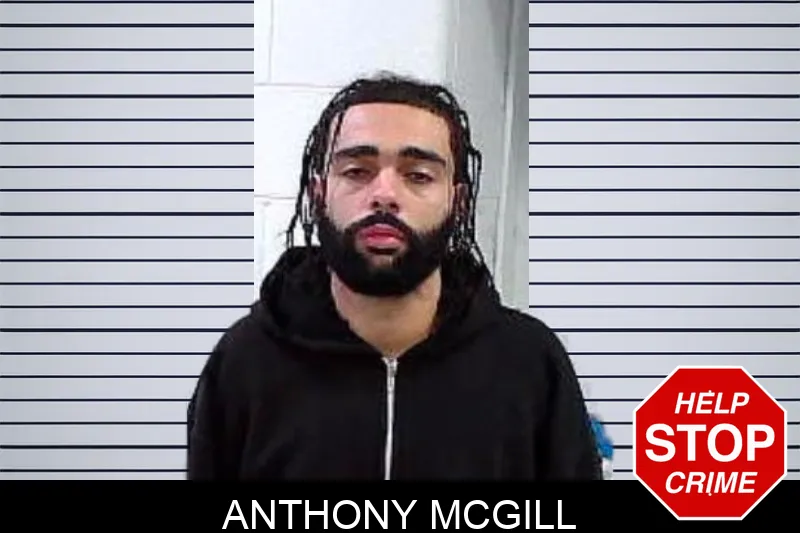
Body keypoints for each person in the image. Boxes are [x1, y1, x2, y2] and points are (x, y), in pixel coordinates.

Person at [186, 72, 601, 480]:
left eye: (418, 175)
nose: (384, 194)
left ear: (457, 202)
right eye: (357, 171)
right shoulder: (245, 362)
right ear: (318, 194)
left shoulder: (530, 364)